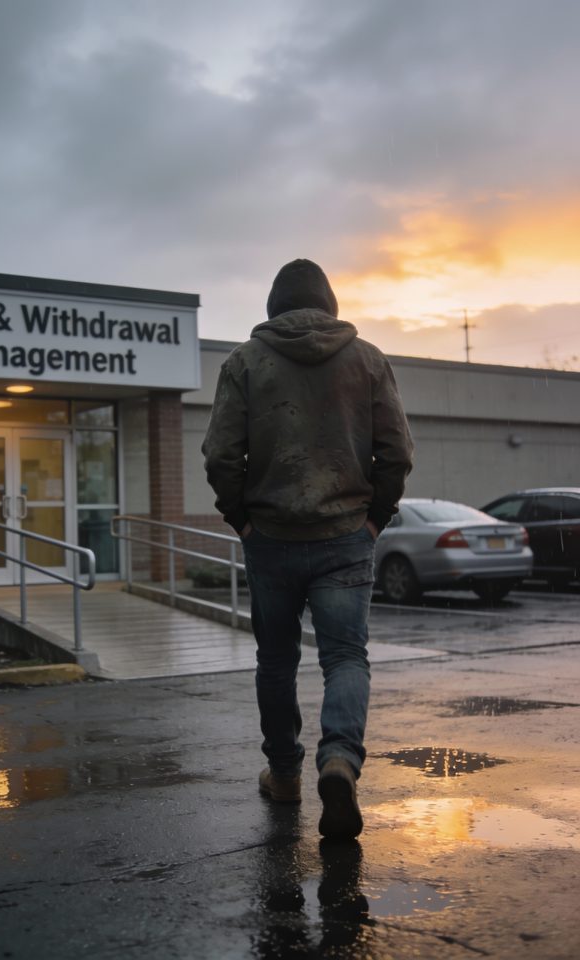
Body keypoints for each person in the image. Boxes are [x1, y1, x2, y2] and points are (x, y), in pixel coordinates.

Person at [202, 258, 413, 839]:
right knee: (345, 658)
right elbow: (396, 451)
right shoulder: (367, 359)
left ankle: (285, 773)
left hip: (270, 538)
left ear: (273, 307)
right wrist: (374, 520)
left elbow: (221, 454)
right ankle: (340, 760)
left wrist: (242, 520)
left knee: (276, 660)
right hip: (346, 537)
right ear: (330, 305)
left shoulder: (245, 362)